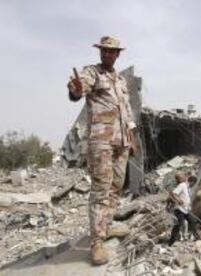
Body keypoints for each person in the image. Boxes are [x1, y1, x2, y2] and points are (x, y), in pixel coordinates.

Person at [67, 36, 138, 265]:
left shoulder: (121, 80)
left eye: (112, 51)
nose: (107, 54)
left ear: (118, 54)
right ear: (100, 52)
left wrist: (132, 138)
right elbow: (79, 90)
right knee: (100, 190)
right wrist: (76, 91)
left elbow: (126, 111)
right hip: (102, 142)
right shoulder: (92, 73)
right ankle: (96, 242)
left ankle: (106, 227)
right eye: (104, 51)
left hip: (122, 142)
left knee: (116, 188)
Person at [168, 173, 199, 246]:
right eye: (194, 183)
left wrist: (189, 207)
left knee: (193, 221)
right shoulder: (182, 185)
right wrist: (178, 200)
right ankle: (172, 241)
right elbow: (173, 193)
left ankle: (196, 237)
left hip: (186, 210)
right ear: (192, 181)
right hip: (179, 209)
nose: (193, 185)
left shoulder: (188, 189)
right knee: (179, 224)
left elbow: (186, 199)